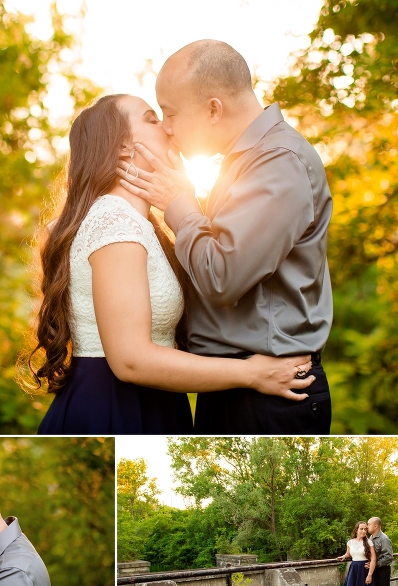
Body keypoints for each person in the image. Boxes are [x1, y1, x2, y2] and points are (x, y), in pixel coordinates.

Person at [31, 93, 318, 434]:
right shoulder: (114, 221)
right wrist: (254, 374)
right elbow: (131, 360)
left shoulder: (143, 224)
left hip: (152, 403)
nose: (168, 127)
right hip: (114, 407)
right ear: (123, 146)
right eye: (153, 119)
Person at [119, 40, 333, 434]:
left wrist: (178, 204)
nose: (166, 127)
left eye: (171, 113)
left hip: (271, 391)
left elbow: (222, 277)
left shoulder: (279, 162)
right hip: (239, 381)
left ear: (213, 109)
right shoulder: (245, 163)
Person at [338, 521, 376, 586]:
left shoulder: (369, 542)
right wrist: (344, 556)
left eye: (365, 529)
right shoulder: (350, 542)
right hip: (354, 568)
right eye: (361, 529)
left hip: (364, 569)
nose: (363, 531)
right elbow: (349, 553)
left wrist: (370, 574)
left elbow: (373, 559)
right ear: (356, 530)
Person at [366, 516, 394, 586]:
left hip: (382, 570)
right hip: (374, 570)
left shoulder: (384, 539)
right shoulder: (371, 538)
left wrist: (375, 564)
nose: (367, 526)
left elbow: (388, 557)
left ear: (376, 526)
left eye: (369, 524)